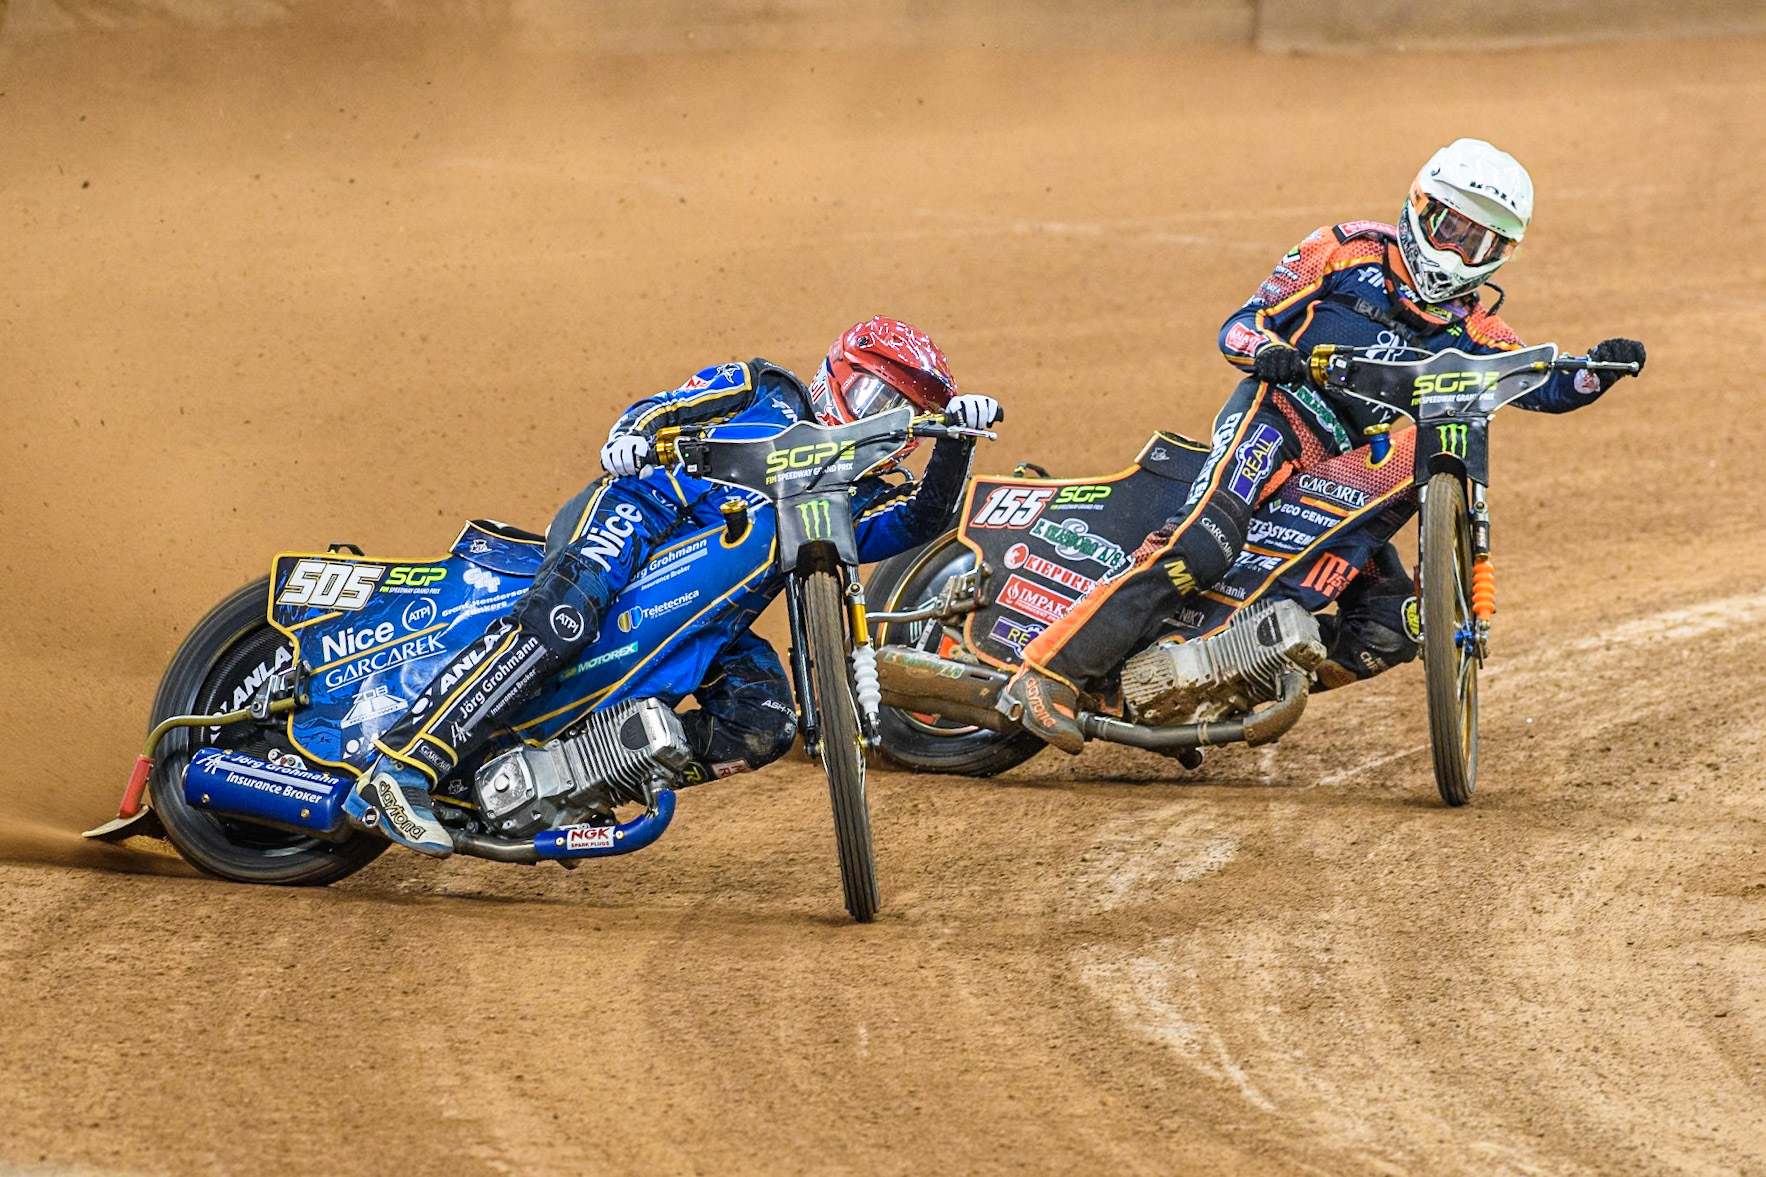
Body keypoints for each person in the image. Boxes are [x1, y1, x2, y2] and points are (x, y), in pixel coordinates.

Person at [1003, 138, 1647, 752]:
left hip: (1348, 468)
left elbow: (1540, 384)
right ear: (1419, 207)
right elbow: (1241, 326)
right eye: (1451, 227)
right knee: (1202, 542)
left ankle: (1219, 682)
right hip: (1277, 419)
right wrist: (1270, 351)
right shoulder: (1343, 250)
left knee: (1396, 623)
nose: (1459, 251)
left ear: (1502, 254)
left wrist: (1597, 369)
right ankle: (1048, 674)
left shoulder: (1476, 327)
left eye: (1480, 242)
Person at [344, 318, 1003, 855]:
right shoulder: (764, 388)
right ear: (835, 374)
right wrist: (632, 437)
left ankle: (580, 777)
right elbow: (667, 406)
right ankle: (401, 766)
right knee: (564, 617)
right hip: (641, 513)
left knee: (764, 721)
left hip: (710, 618)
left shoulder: (850, 496)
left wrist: (957, 442)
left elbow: (919, 520)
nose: (880, 420)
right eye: (873, 398)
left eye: (901, 415)